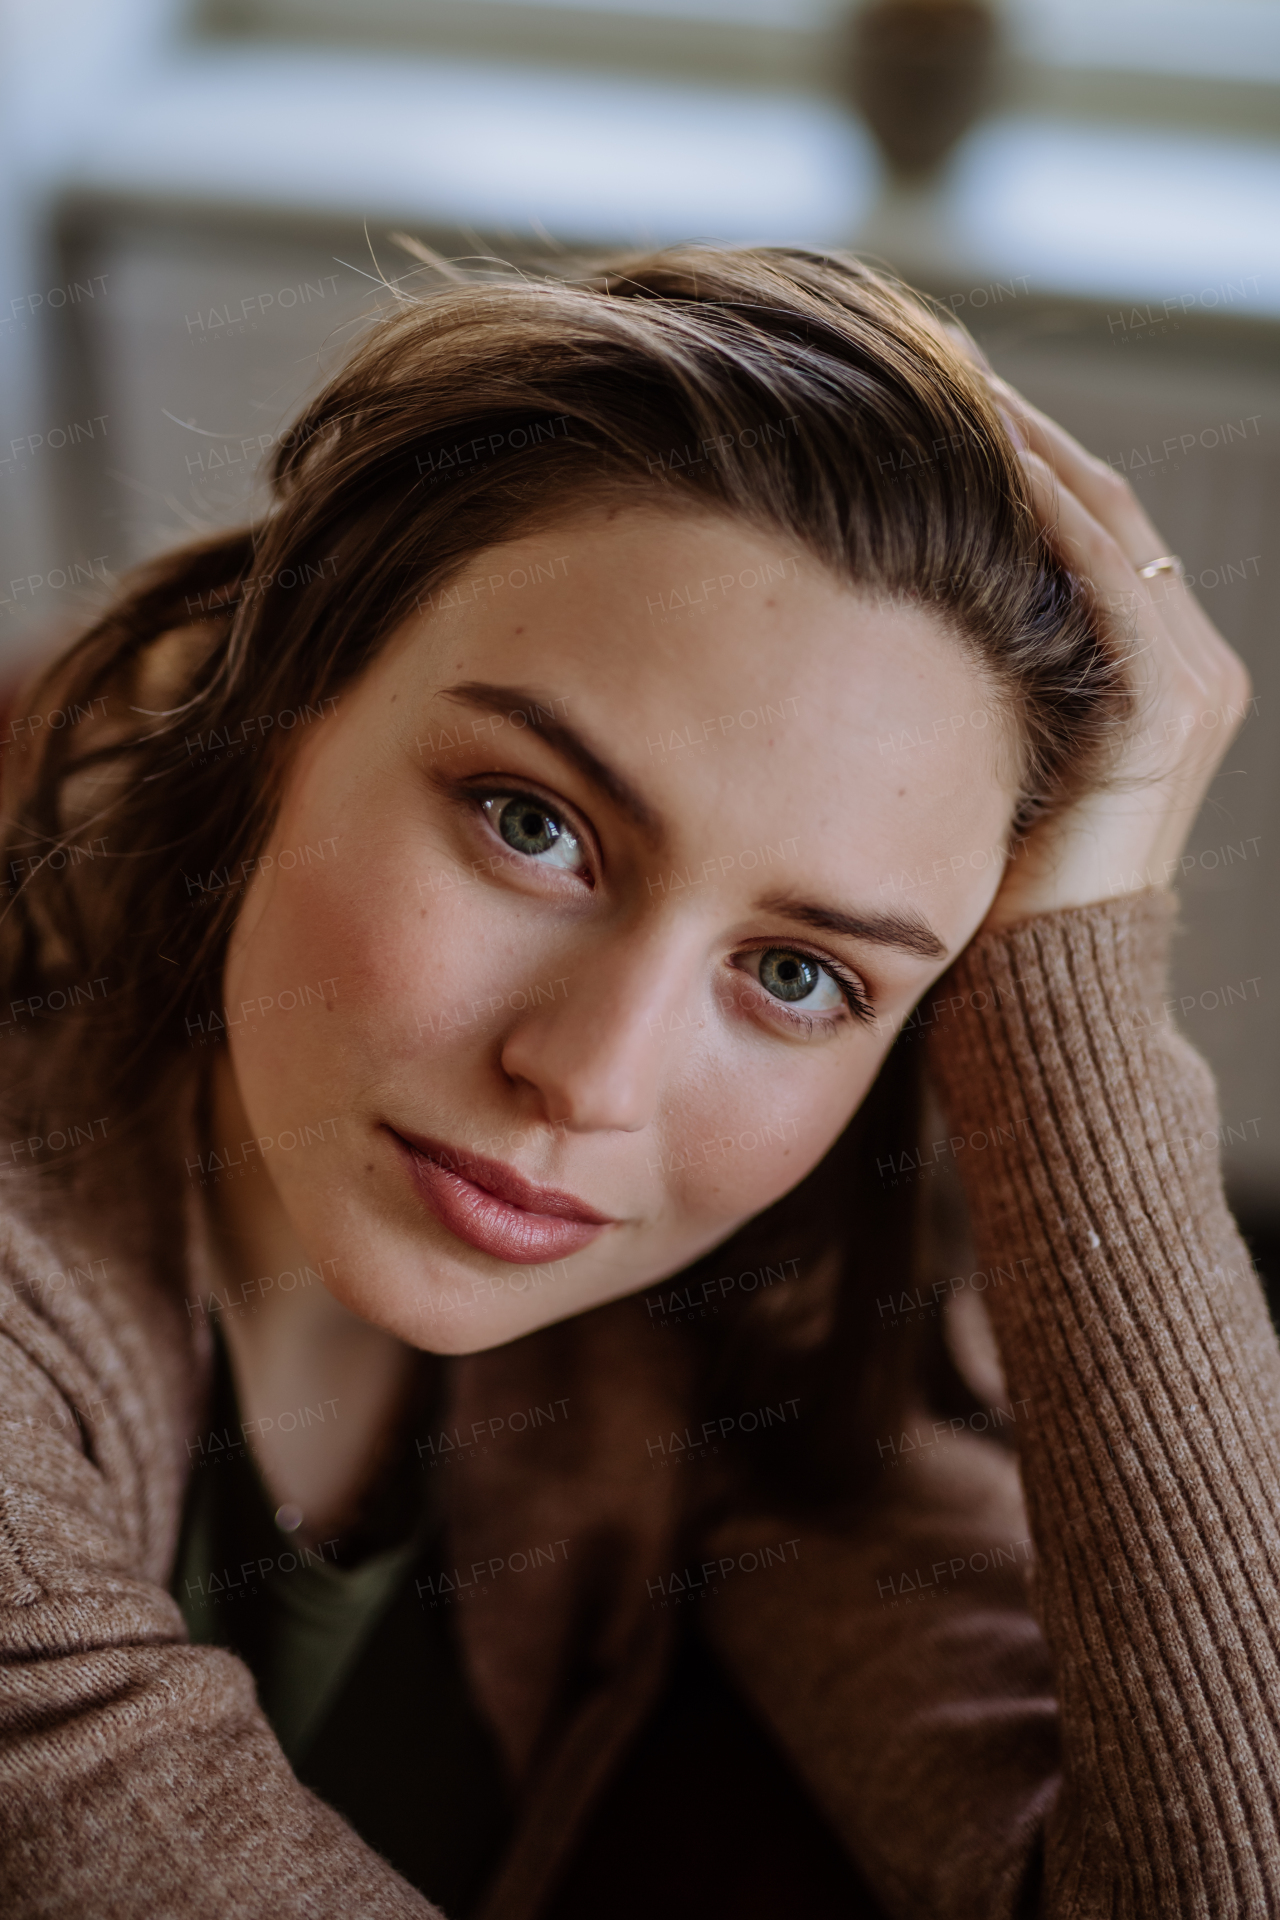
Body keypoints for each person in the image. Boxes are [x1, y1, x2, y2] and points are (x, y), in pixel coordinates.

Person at [0, 245, 1273, 1920]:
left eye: (804, 975)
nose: (588, 1082)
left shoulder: (718, 1349)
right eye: (534, 826)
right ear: (287, 707)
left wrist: (1083, 968)